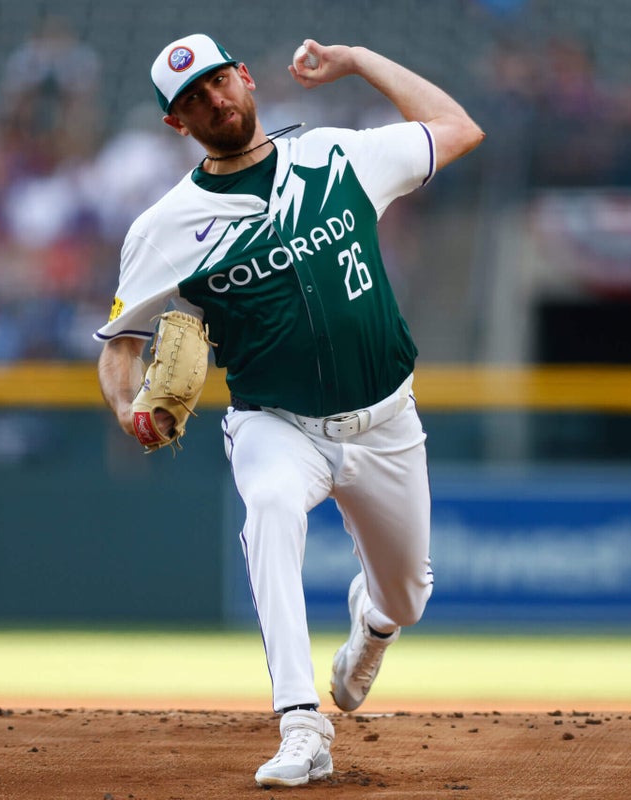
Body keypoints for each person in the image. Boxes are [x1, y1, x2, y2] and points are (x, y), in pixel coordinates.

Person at [94, 33, 483, 788]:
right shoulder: (163, 228)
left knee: (407, 595)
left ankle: (373, 628)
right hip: (275, 422)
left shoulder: (336, 157)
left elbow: (457, 128)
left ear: (244, 78)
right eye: (192, 100)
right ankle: (302, 724)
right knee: (270, 507)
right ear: (178, 124)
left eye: (218, 82)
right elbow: (120, 347)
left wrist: (359, 59)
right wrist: (129, 409)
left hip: (386, 421)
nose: (213, 100)